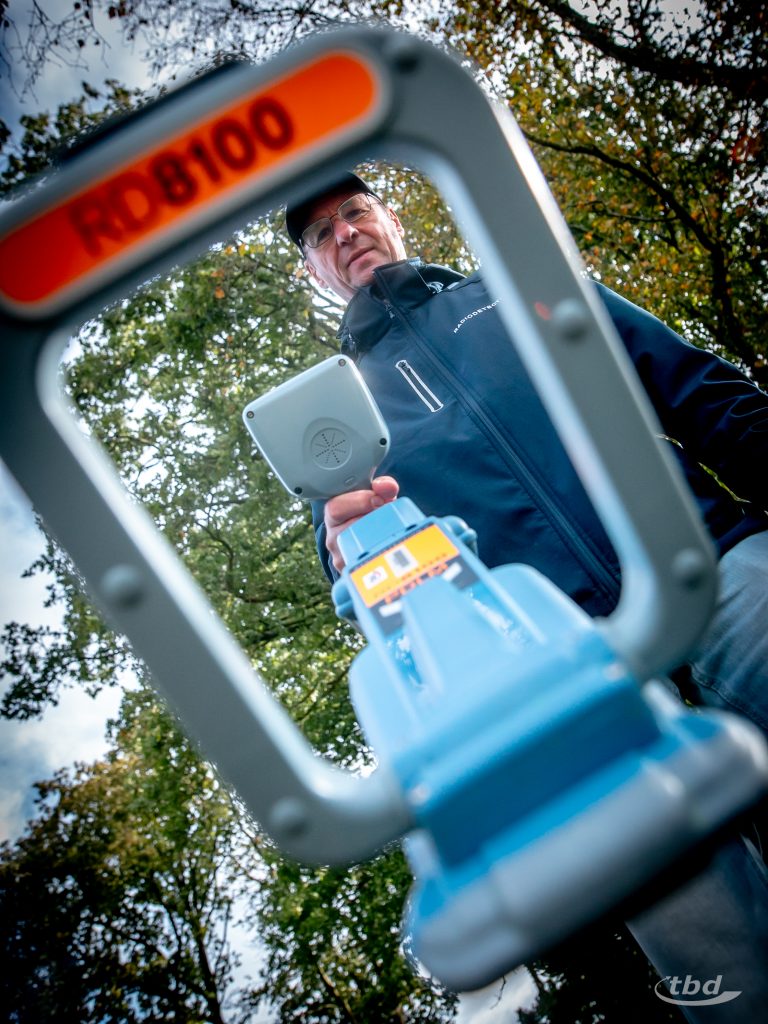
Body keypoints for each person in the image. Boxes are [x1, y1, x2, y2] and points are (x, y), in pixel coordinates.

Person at [284, 171, 768, 1021]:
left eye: (354, 212)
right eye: (321, 235)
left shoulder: (518, 288)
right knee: (717, 959)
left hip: (706, 559)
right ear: (316, 271)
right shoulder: (335, 416)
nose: (345, 234)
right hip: (558, 678)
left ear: (392, 218)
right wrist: (344, 553)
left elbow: (692, 384)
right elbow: (367, 585)